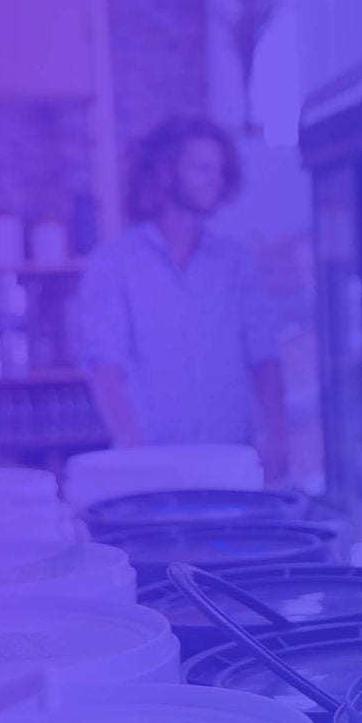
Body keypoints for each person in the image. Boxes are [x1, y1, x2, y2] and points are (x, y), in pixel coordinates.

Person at [78, 115, 288, 482]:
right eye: (202, 168)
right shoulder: (113, 263)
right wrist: (131, 449)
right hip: (151, 468)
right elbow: (105, 366)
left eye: (220, 171)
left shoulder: (236, 262)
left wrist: (277, 434)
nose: (214, 180)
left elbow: (264, 355)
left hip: (232, 463)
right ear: (164, 171)